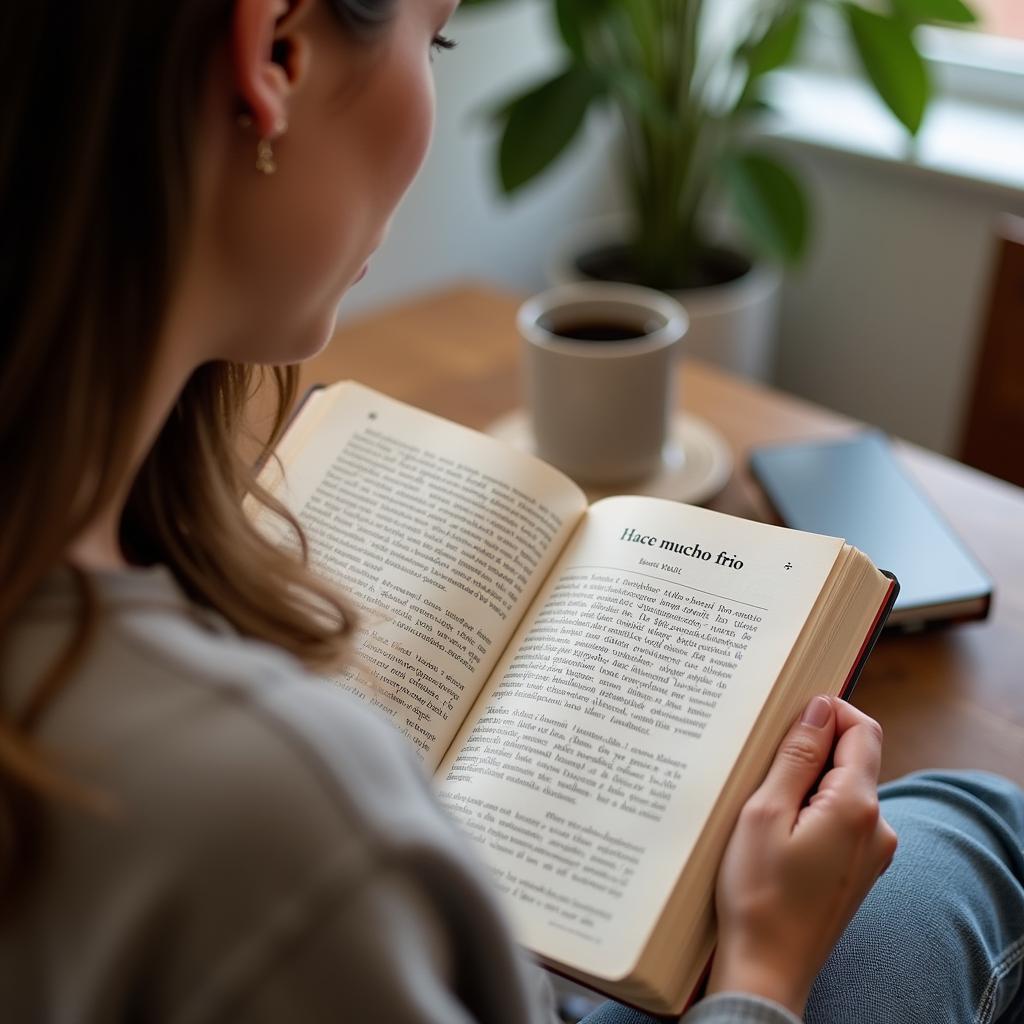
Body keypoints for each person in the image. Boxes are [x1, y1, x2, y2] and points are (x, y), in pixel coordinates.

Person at [0, 1, 1021, 1021]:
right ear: (276, 51)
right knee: (981, 826)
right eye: (434, 35)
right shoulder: (280, 826)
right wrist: (762, 970)